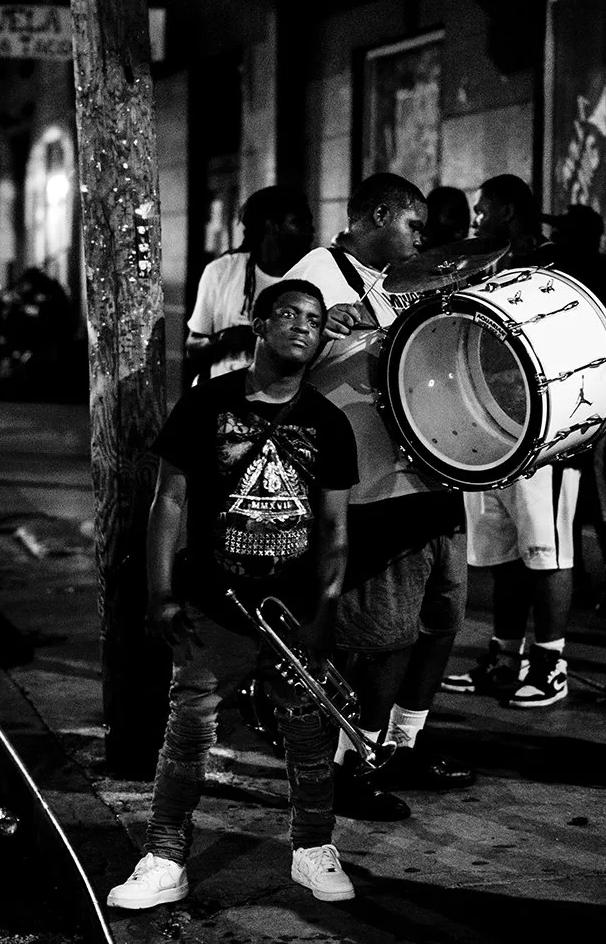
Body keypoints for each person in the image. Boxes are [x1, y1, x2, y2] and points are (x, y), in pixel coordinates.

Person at [106, 280, 360, 910]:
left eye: (315, 320)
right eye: (289, 315)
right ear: (258, 322)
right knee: (190, 724)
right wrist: (160, 592)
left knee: (305, 729)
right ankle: (165, 856)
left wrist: (324, 613)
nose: (303, 327)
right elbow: (169, 501)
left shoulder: (328, 422)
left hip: (291, 609)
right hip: (213, 601)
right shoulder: (208, 404)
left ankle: (312, 848)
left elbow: (334, 531)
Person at [286, 174, 475, 820]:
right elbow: (268, 367)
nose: (420, 239)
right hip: (371, 485)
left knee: (440, 618)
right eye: (413, 226)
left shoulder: (403, 280)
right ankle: (352, 763)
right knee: (385, 634)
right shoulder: (314, 273)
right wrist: (318, 334)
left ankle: (405, 743)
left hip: (430, 473)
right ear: (379, 213)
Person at [442, 175, 581, 708]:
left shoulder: (555, 265)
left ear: (505, 209)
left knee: (547, 552)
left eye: (483, 210)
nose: (476, 219)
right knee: (502, 551)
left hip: (547, 434)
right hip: (494, 429)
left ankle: (551, 661)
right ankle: (505, 656)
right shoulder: (485, 264)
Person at [544, 204, 606, 610]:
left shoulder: (600, 272)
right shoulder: (601, 270)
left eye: (565, 234)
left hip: (593, 392)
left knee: (593, 482)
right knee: (575, 486)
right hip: (575, 394)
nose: (557, 241)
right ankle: (582, 578)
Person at [186, 186, 314, 386]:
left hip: (281, 404)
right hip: (222, 398)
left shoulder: (312, 276)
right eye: (299, 222)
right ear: (272, 227)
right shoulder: (222, 271)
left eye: (309, 222)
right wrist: (224, 339)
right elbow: (192, 347)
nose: (310, 230)